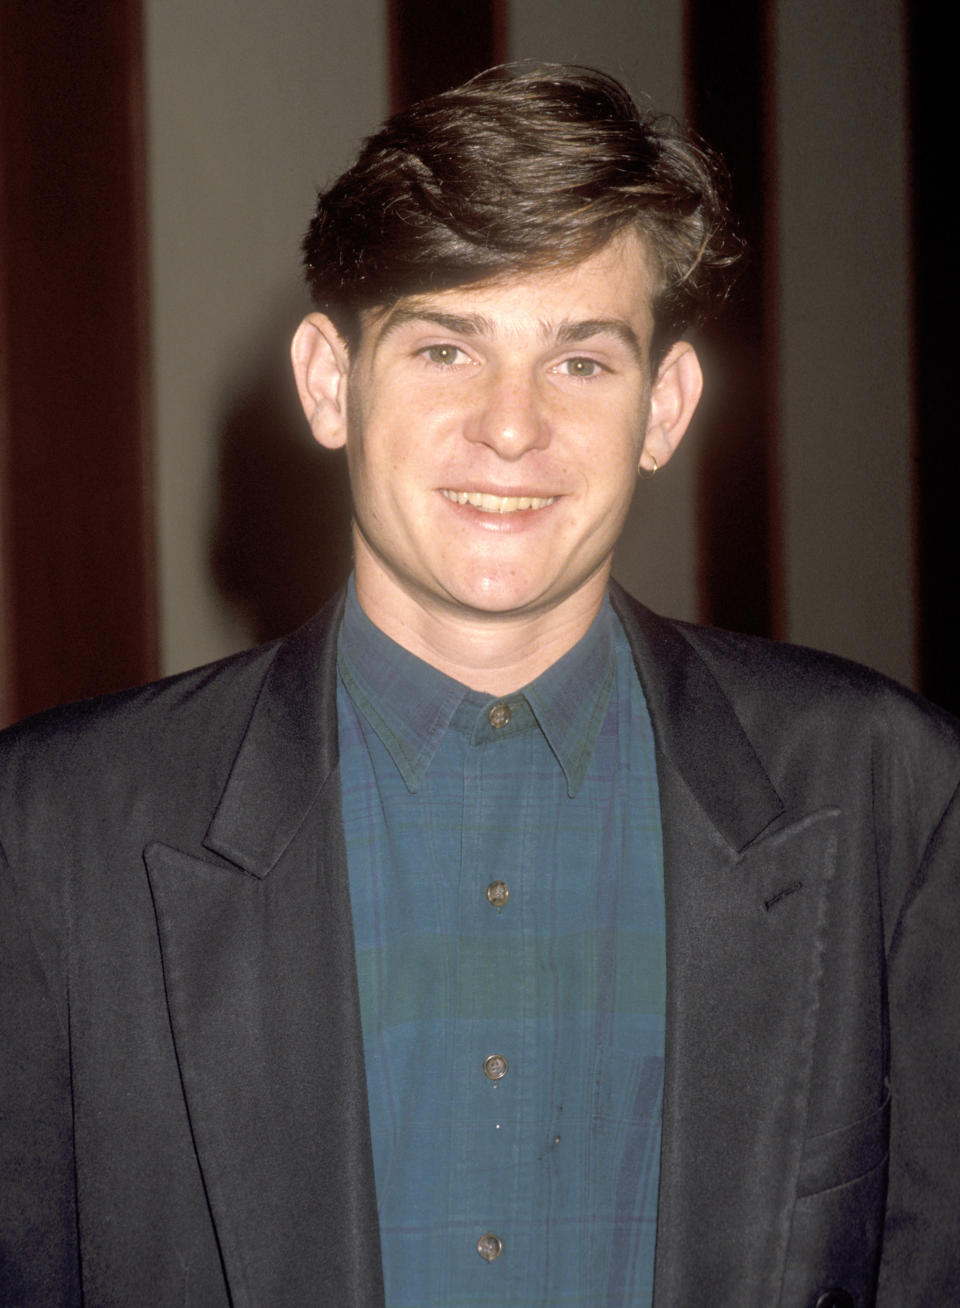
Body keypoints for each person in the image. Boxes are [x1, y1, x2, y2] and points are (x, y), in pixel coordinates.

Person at [1, 63, 958, 1308]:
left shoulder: (889, 789)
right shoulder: (52, 831)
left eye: (581, 362)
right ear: (329, 383)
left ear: (664, 408)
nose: (512, 428)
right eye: (447, 345)